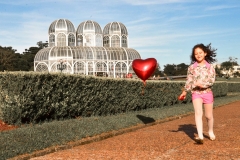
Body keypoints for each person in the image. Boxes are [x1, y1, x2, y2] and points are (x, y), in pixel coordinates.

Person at [179, 43, 217, 144]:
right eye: (196, 54)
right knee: (198, 113)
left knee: (209, 116)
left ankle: (210, 131)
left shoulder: (210, 67)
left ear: (205, 53)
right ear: (193, 55)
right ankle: (200, 136)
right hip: (196, 93)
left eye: (200, 53)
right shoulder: (191, 67)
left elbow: (212, 80)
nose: (198, 55)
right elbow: (189, 81)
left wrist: (203, 85)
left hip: (207, 93)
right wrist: (184, 92)